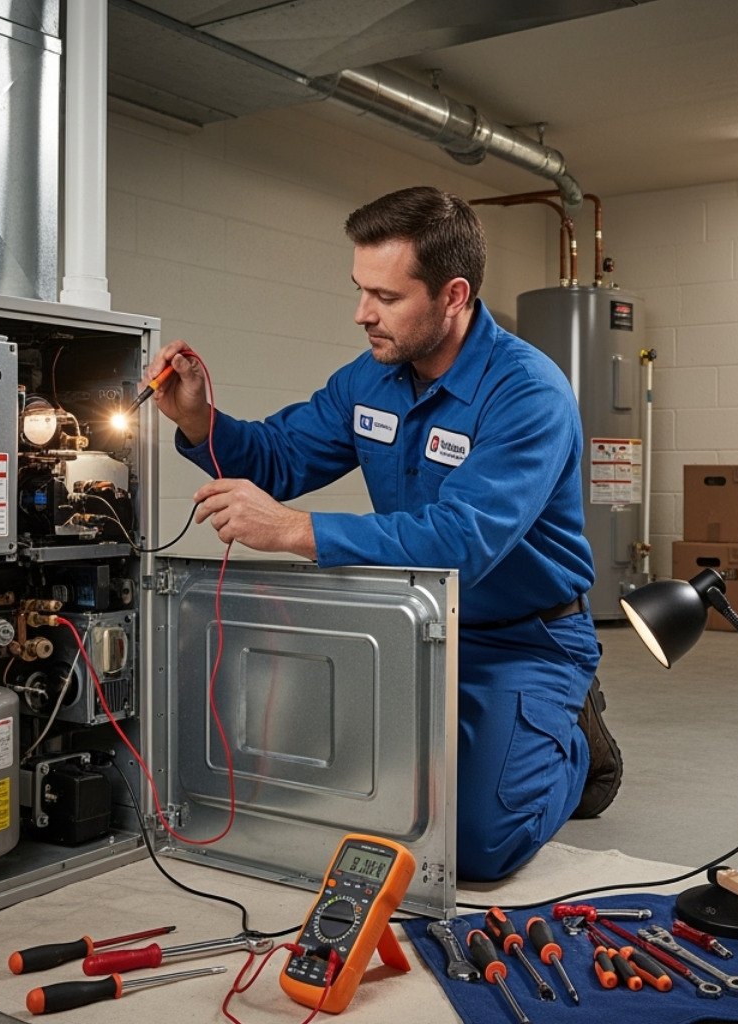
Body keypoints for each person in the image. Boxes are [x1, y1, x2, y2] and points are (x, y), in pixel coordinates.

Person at [143, 186, 622, 881]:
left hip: (525, 637)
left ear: (453, 295)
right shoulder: (372, 379)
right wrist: (199, 420)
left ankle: (578, 741)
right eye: (360, 289)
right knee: (319, 796)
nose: (362, 313)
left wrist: (296, 531)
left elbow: (460, 542)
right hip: (414, 629)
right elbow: (281, 457)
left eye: (386, 297)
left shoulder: (528, 394)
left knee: (477, 845)